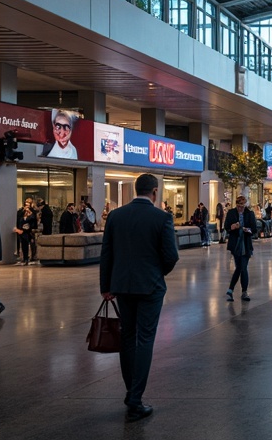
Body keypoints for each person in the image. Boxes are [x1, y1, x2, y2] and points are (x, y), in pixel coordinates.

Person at [100, 174, 179, 422]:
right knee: (144, 339)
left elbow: (107, 253)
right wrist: (157, 274)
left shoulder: (115, 215)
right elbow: (171, 256)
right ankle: (135, 399)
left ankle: (130, 392)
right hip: (150, 287)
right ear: (154, 192)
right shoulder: (162, 217)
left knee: (127, 337)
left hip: (122, 286)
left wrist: (107, 286)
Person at [224, 196, 259, 301]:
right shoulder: (231, 213)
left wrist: (246, 229)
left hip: (246, 244)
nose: (240, 208)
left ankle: (241, 291)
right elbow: (226, 226)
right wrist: (232, 227)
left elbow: (254, 229)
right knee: (239, 267)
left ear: (245, 205)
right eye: (238, 206)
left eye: (242, 206)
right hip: (236, 244)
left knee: (243, 267)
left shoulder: (250, 214)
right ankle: (232, 290)